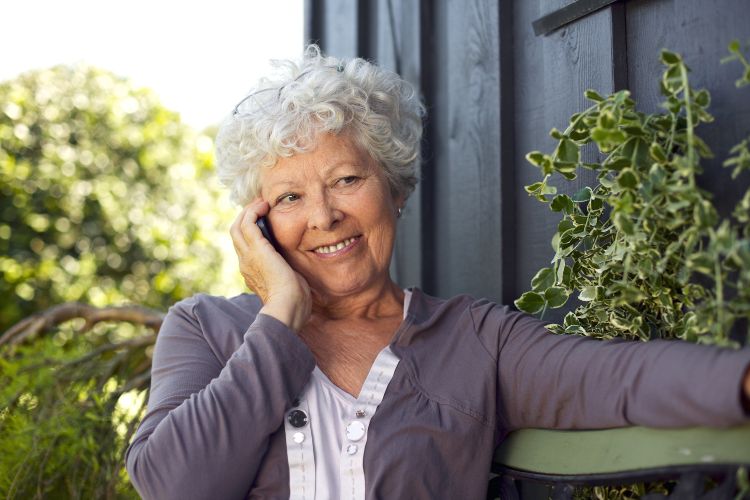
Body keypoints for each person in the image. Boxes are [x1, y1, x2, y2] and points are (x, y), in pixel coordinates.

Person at [125, 45, 750, 500]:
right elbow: (175, 484)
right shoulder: (205, 329)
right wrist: (280, 313)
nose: (324, 216)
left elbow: (621, 378)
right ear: (256, 222)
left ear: (393, 189)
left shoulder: (477, 341)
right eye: (288, 197)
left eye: (347, 180)